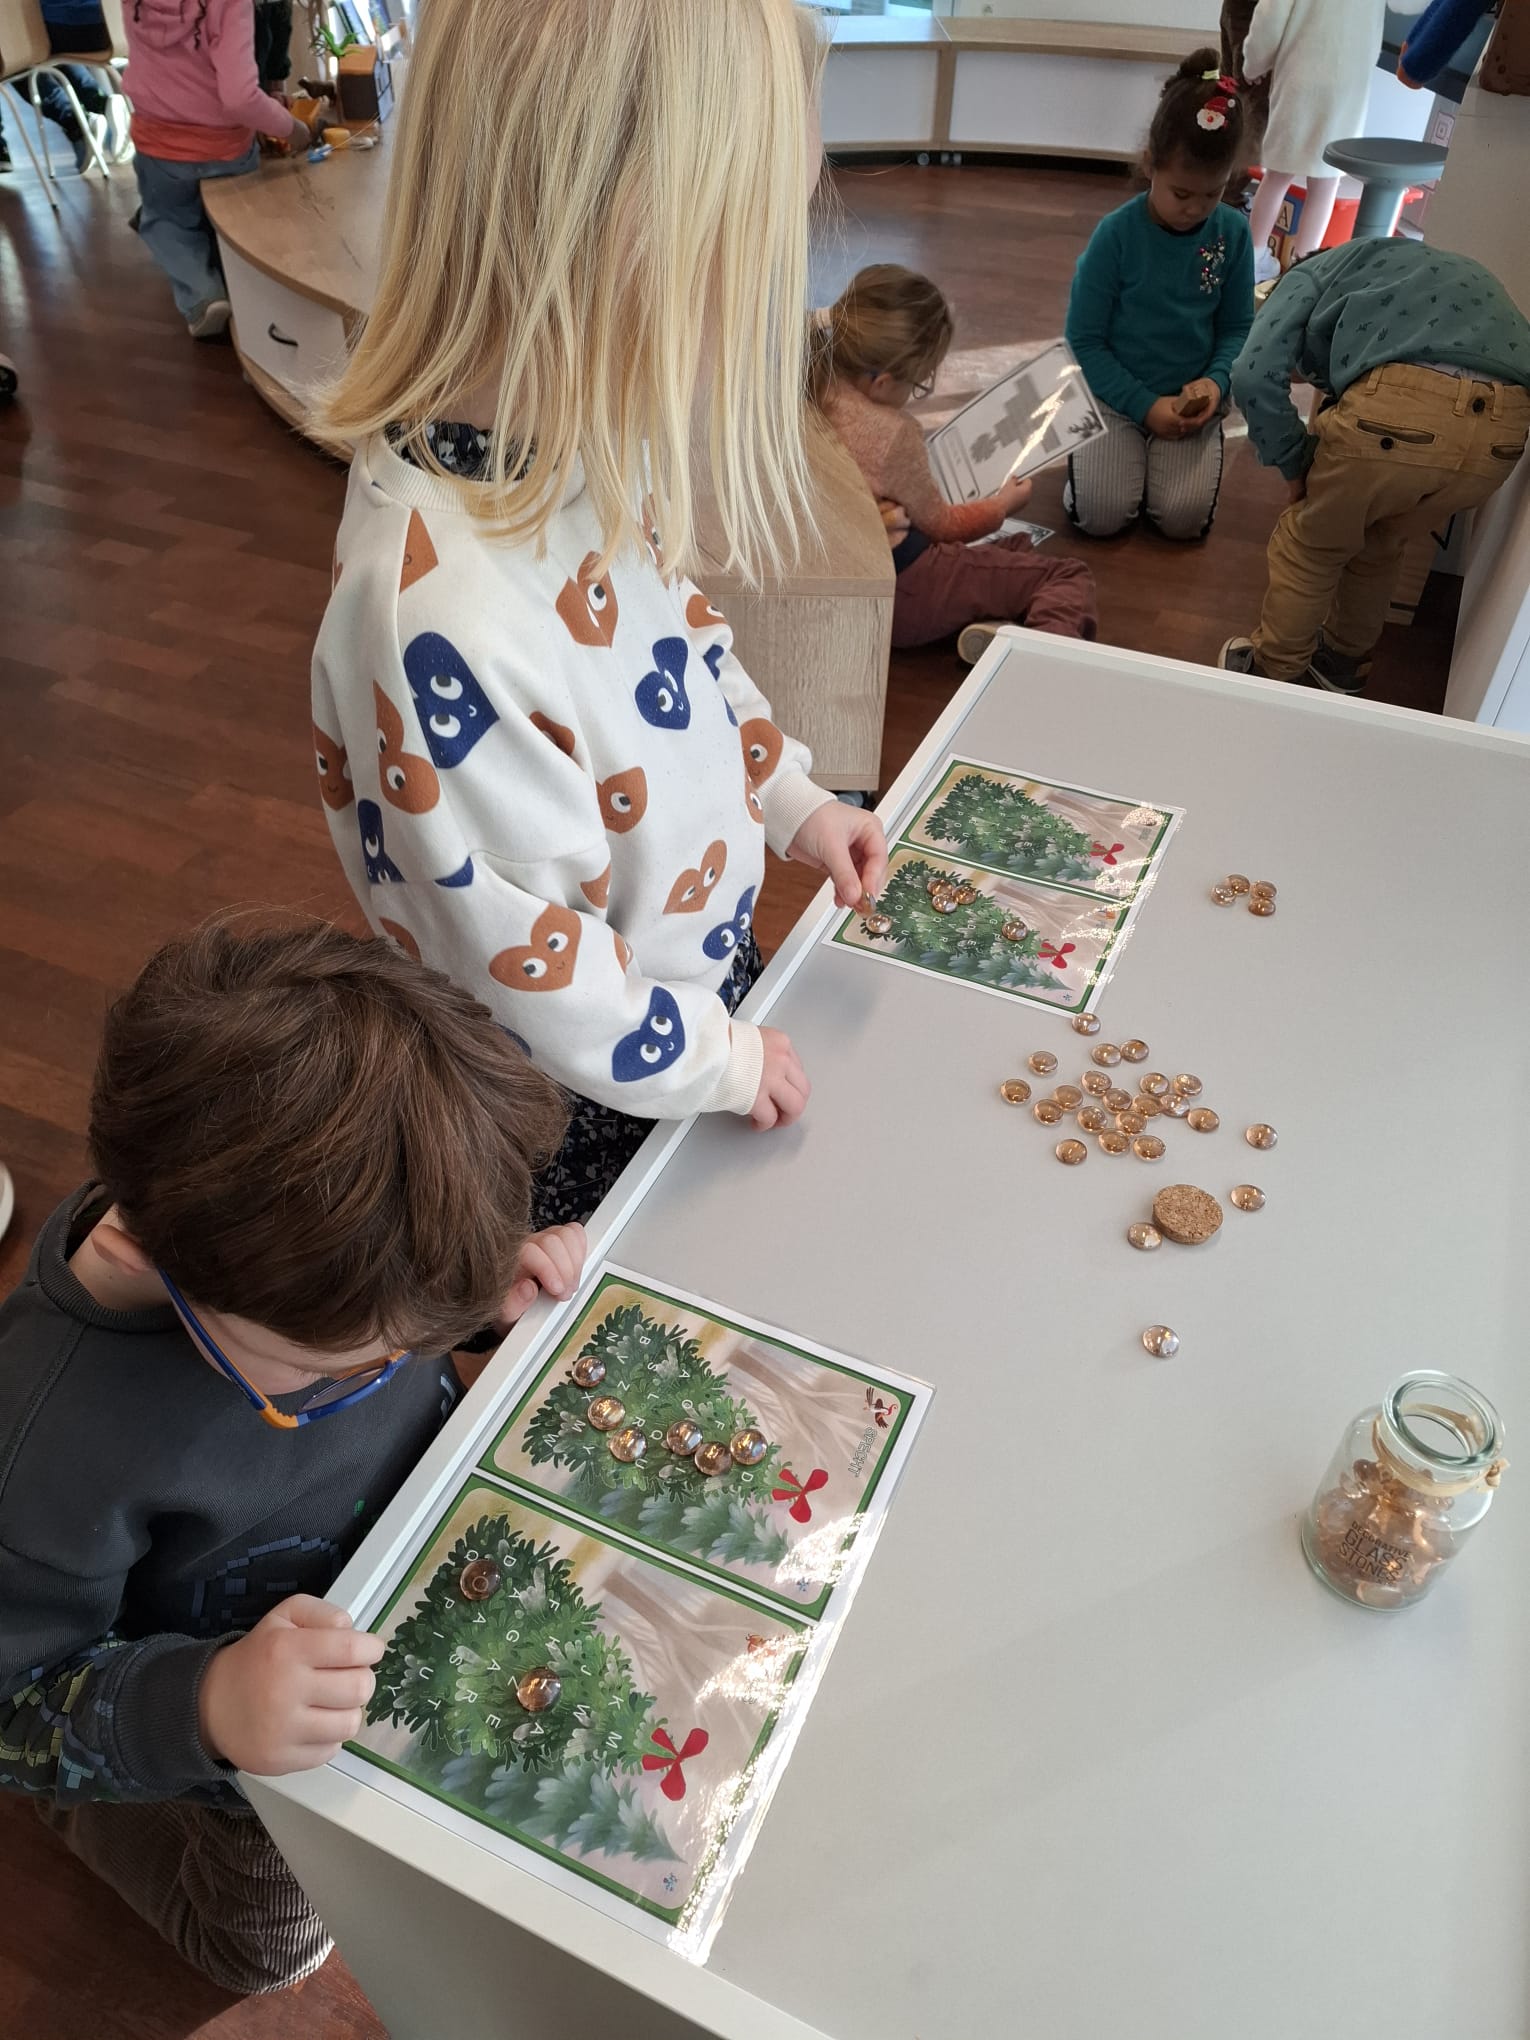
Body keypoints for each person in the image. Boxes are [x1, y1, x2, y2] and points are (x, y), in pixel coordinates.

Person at [312, 0, 887, 1230]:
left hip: (680, 1000)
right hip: (577, 1098)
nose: (765, 309)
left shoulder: (573, 451)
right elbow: (532, 979)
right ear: (629, 249)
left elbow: (681, 657)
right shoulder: (439, 618)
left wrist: (791, 797)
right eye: (751, 258)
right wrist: (718, 1062)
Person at [0, 918, 583, 1994]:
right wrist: (204, 1708)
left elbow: (374, 1312)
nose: (397, 1362)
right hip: (232, 1731)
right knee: (269, 1952)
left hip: (383, 1605)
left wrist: (470, 1299)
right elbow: (11, 1703)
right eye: (343, 1368)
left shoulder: (308, 1265)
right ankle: (85, 1815)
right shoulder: (45, 1439)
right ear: (143, 1257)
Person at [1219, 239, 1530, 693]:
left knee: (1311, 545)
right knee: (1380, 543)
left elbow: (1252, 371)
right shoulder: (1409, 269)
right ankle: (1343, 667)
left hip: (1402, 409)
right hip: (1505, 434)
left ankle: (1273, 673)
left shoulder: (1307, 276)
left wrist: (1294, 459)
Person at [810, 264, 1098, 662]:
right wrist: (1002, 505)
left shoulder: (812, 384)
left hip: (844, 583)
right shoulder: (892, 433)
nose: (916, 393)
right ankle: (1034, 668)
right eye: (918, 383)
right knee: (1066, 576)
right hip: (905, 589)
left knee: (1015, 551)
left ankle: (998, 627)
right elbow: (943, 526)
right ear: (882, 382)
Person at [1063, 53, 1256, 544]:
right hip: (1114, 396)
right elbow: (1084, 341)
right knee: (1101, 516)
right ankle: (1093, 462)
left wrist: (1215, 383)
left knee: (1182, 521)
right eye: (1181, 193)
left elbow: (1238, 328)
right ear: (1150, 164)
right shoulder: (1116, 235)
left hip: (1192, 404)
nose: (1195, 209)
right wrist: (1145, 406)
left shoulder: (1233, 233)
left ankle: (1147, 461)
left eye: (1212, 194)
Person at [122, 0, 312, 338]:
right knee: (238, 224)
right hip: (225, 146)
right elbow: (240, 98)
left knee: (167, 222)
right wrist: (291, 128)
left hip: (159, 142)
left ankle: (201, 296)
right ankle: (257, 300)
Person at [1242, 0, 1388, 284]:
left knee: (1277, 175)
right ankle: (1302, 272)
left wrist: (1253, 64)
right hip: (1349, 83)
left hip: (1299, 74)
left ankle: (1252, 258)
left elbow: (1271, 15)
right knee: (1326, 182)